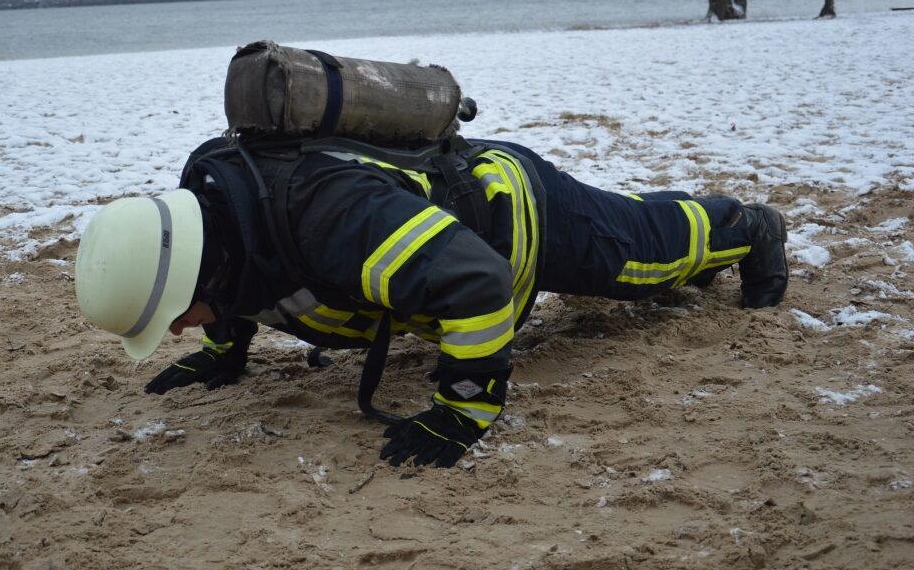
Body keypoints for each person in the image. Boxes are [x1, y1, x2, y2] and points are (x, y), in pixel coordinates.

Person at [75, 135, 788, 468]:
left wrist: (464, 408)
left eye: (179, 316)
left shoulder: (332, 224)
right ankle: (704, 229)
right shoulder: (218, 216)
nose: (177, 329)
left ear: (203, 274)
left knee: (645, 253)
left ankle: (749, 228)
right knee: (637, 232)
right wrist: (220, 352)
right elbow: (234, 279)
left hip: (510, 219)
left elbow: (475, 282)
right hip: (439, 230)